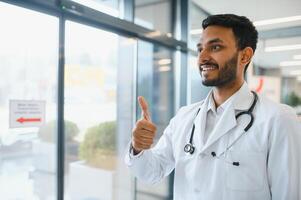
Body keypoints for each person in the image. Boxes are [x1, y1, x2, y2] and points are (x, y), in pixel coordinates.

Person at [124, 14, 301, 200]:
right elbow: (152, 172)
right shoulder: (185, 116)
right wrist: (138, 148)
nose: (203, 57)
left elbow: (289, 194)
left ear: (245, 56)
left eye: (215, 47)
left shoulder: (278, 119)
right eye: (200, 48)